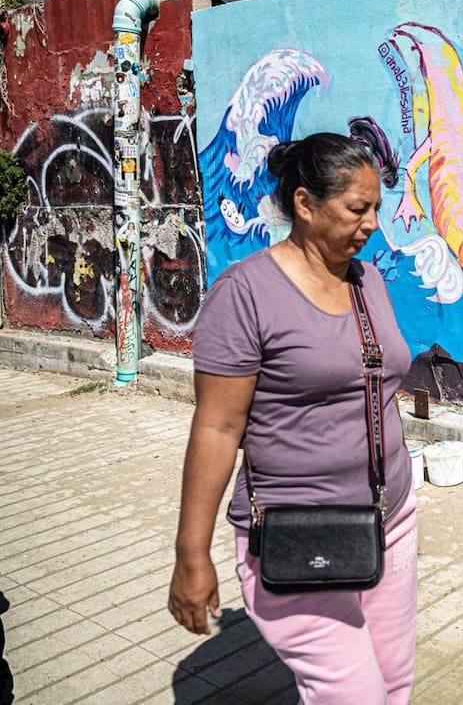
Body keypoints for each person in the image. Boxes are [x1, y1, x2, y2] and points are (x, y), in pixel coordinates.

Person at [168, 133, 417, 704]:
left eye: (376, 207)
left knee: (394, 681)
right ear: (305, 204)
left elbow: (373, 382)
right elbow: (217, 428)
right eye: (358, 209)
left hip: (389, 516)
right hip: (294, 534)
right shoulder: (245, 294)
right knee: (353, 695)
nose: (373, 224)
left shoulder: (366, 280)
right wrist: (191, 554)